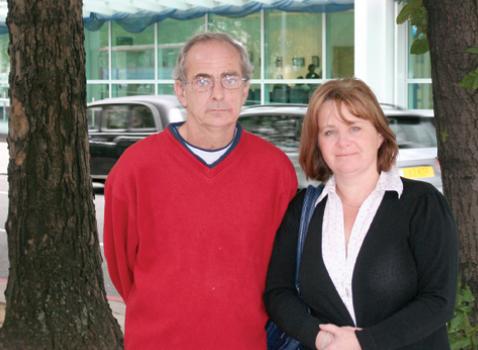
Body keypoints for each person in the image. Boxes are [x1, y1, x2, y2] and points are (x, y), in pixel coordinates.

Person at [104, 32, 298, 349]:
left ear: (246, 88)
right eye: (203, 81)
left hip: (244, 342)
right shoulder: (136, 168)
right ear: (181, 90)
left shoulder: (275, 170)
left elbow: (281, 272)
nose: (219, 94)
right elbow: (120, 266)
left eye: (230, 79)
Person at [264, 78, 458, 350]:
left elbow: (439, 301)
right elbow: (278, 292)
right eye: (329, 132)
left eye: (355, 128)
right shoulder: (303, 209)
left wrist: (363, 343)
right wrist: (319, 338)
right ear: (317, 142)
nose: (343, 142)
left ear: (379, 135)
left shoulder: (422, 204)